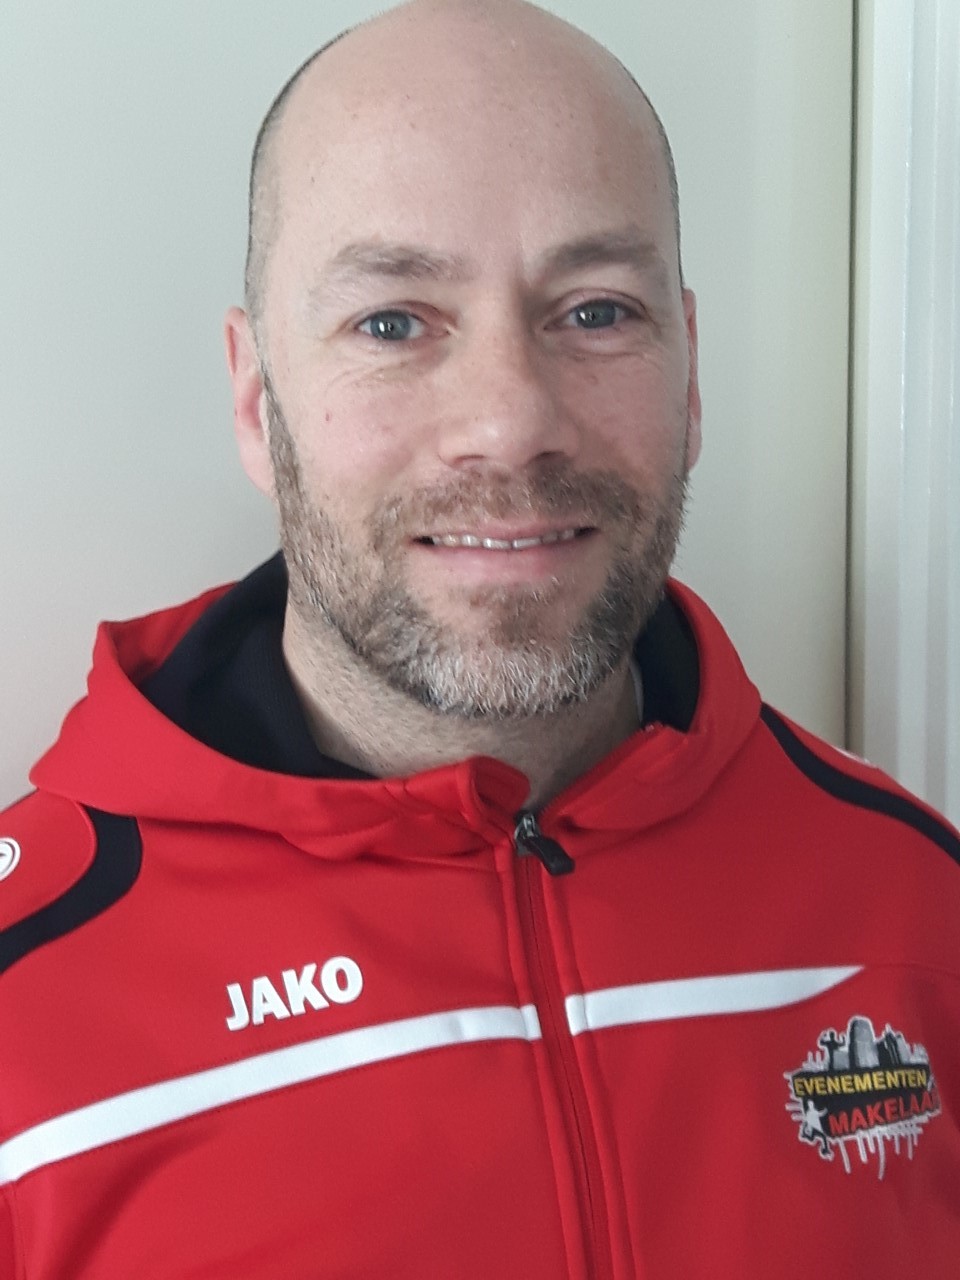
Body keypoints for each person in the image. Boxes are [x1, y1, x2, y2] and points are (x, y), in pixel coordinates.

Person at [1, 0, 957, 1275]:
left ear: (690, 374)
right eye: (393, 321)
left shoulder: (917, 902)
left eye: (596, 311)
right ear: (255, 395)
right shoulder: (25, 999)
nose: (510, 421)